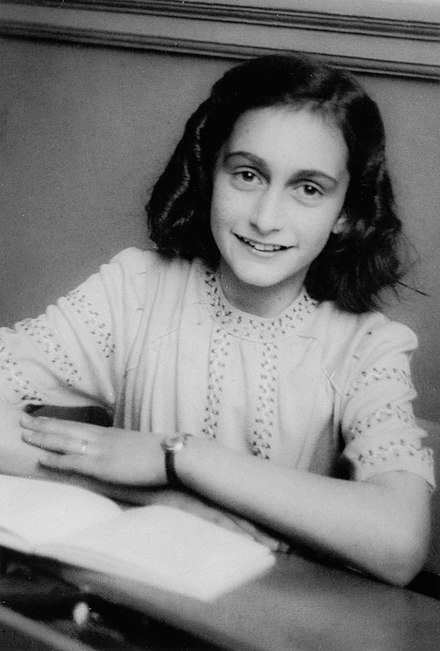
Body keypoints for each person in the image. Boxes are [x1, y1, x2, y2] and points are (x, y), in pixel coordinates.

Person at [0, 53, 434, 587]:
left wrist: (180, 458)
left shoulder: (366, 345)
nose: (266, 218)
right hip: (134, 589)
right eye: (248, 174)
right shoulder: (136, 291)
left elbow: (400, 542)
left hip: (274, 615)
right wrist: (150, 494)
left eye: (308, 188)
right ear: (211, 174)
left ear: (346, 211)